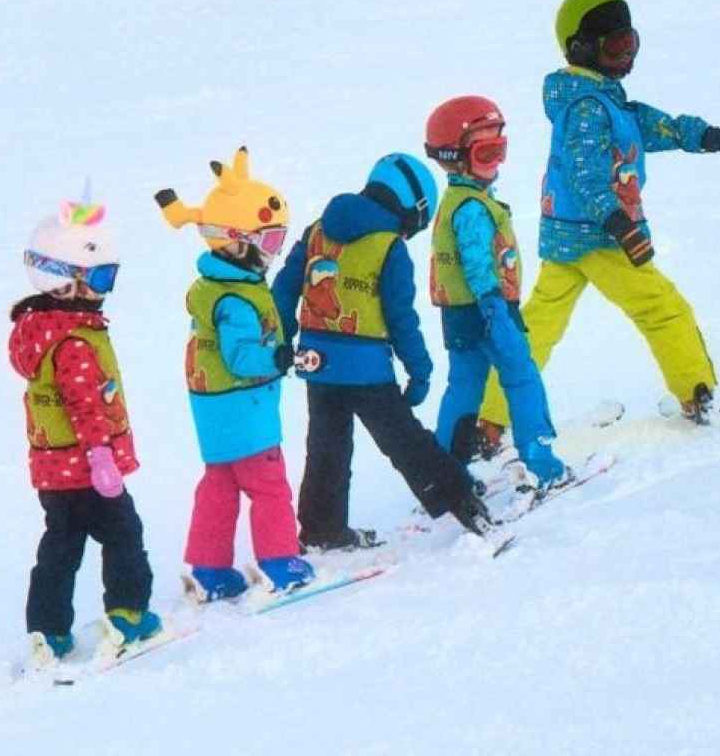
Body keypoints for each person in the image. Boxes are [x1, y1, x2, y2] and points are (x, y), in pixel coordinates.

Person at [470, 0, 720, 455]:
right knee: (662, 309)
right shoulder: (587, 107)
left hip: (566, 235)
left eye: (631, 43)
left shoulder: (601, 98)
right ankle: (699, 394)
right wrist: (618, 224)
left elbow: (651, 124)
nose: (626, 54)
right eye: (614, 45)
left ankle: (489, 420)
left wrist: (710, 137)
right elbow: (586, 173)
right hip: (601, 238)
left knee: (539, 326)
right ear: (582, 48)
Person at [270, 153, 494, 546]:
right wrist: (419, 369)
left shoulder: (317, 231)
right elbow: (400, 318)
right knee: (403, 440)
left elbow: (285, 290)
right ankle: (461, 498)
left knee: (326, 447)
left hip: (317, 364)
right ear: (412, 209)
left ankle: (322, 528)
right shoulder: (390, 248)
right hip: (367, 369)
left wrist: (281, 341)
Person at [155, 147, 314, 598]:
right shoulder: (237, 299)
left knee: (219, 485)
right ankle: (282, 563)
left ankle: (209, 568)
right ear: (234, 240)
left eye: (278, 241)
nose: (273, 254)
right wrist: (280, 359)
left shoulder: (216, 288)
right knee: (269, 487)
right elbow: (242, 358)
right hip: (244, 409)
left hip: (213, 410)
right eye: (266, 242)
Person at [11, 196, 160, 667]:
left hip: (52, 471)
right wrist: (100, 457)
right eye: (97, 278)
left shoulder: (40, 331)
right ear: (62, 282)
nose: (104, 290)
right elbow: (86, 404)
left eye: (108, 277)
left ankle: (48, 630)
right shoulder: (75, 341)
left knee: (60, 545)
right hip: (90, 470)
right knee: (124, 536)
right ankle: (129, 616)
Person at [424, 95, 569, 490]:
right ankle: (542, 462)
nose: (497, 162)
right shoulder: (470, 207)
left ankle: (445, 472)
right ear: (454, 156)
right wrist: (493, 307)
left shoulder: (458, 200)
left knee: (465, 386)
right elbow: (477, 262)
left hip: (460, 314)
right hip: (489, 309)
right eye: (486, 152)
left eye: (500, 149)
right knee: (522, 377)